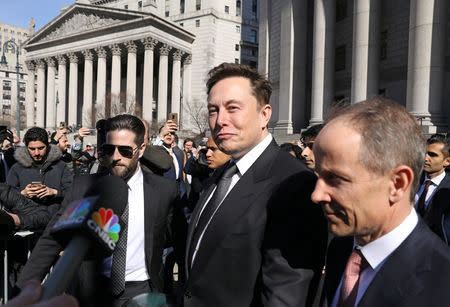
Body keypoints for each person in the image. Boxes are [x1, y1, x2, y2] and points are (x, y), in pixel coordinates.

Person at [183, 63, 327, 306]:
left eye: (233, 108)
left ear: (265, 114)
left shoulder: (294, 184)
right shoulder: (221, 173)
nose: (220, 121)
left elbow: (285, 295)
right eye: (213, 110)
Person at [16, 115, 184, 307]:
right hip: (91, 293)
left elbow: (180, 242)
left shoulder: (164, 190)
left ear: (141, 149)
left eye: (125, 150)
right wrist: (20, 293)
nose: (116, 157)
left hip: (142, 291)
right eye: (109, 149)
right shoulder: (83, 188)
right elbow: (51, 241)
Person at [312, 98, 450, 306]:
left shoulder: (442, 283)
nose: (317, 195)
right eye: (319, 175)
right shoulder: (341, 249)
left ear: (397, 184)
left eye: (336, 179)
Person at [7, 127, 73, 228]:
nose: (37, 153)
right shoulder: (17, 168)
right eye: (32, 149)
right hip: (26, 226)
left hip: (55, 225)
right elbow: (7, 196)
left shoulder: (61, 166)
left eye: (41, 148)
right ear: (26, 147)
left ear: (47, 145)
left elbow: (73, 192)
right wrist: (22, 193)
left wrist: (54, 192)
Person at [416, 134, 450, 243]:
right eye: (425, 153)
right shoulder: (411, 180)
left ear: (447, 161)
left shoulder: (447, 190)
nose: (425, 158)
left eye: (432, 155)